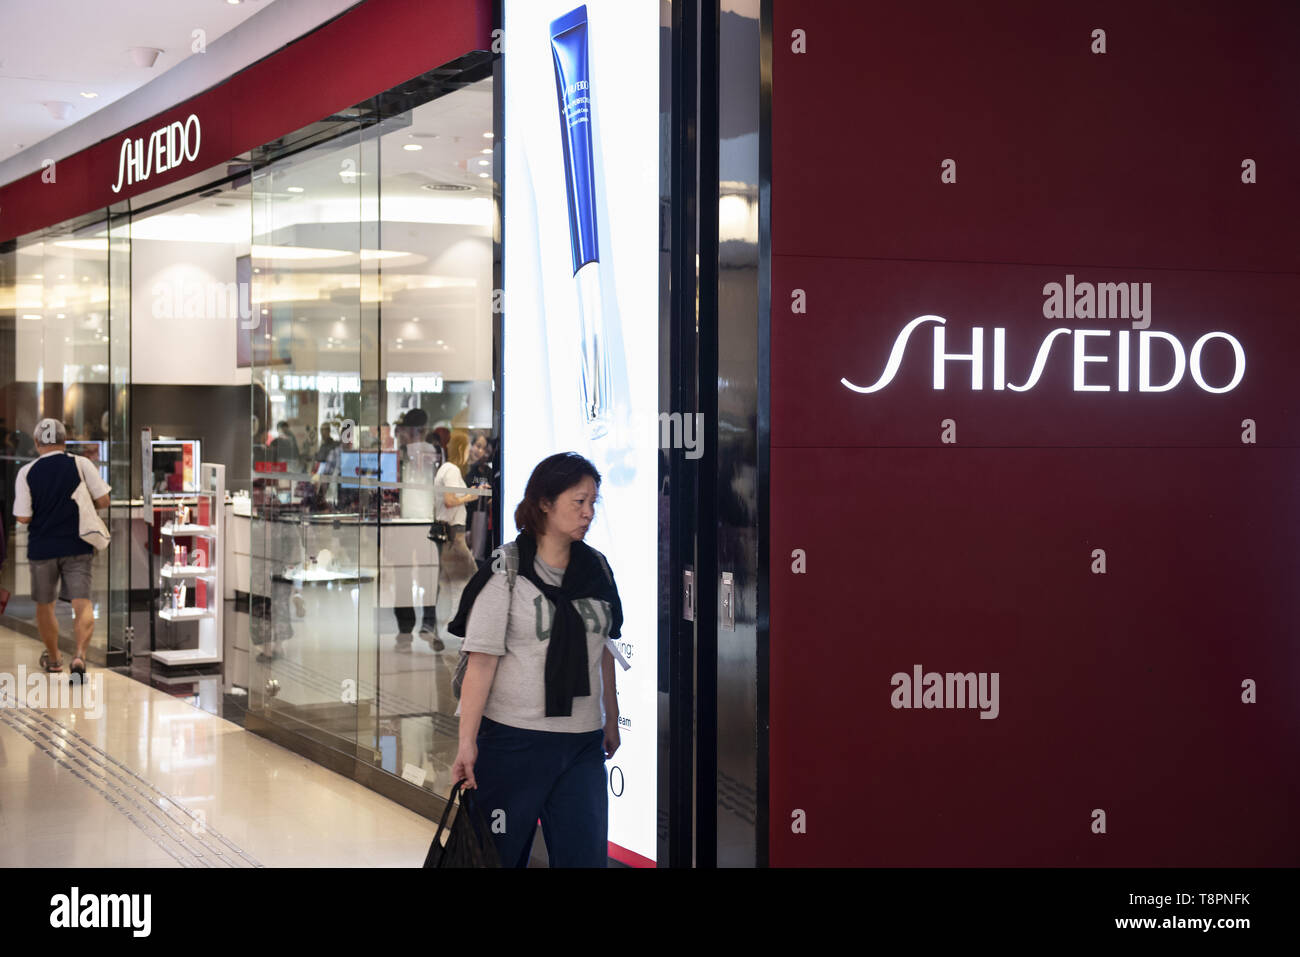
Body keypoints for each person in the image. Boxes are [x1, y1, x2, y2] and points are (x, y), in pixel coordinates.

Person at [450, 452, 624, 868]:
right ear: (545, 502)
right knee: (496, 858)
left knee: (584, 858)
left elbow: (603, 648)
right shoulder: (505, 570)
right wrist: (466, 743)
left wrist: (611, 719)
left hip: (581, 742)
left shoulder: (596, 568)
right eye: (578, 502)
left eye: (593, 503)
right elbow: (481, 663)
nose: (588, 513)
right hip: (513, 742)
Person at [12, 418, 110, 680]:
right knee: (82, 603)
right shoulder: (81, 464)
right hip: (77, 544)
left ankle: (54, 659)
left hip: (42, 547)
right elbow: (104, 500)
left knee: (45, 605)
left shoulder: (27, 472)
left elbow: (22, 517)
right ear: (65, 441)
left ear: (36, 443)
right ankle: (79, 656)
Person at [428, 431, 478, 650]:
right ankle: (455, 632)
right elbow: (450, 500)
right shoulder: (451, 469)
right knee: (468, 581)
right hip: (453, 535)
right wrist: (471, 496)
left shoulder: (446, 470)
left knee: (451, 584)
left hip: (450, 534)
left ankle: (444, 632)